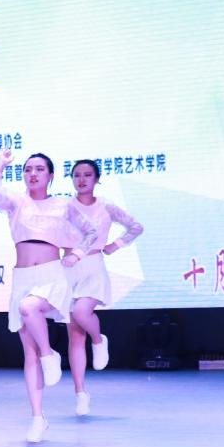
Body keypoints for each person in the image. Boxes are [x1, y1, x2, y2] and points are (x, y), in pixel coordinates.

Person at [0, 150, 96, 443]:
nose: (32, 174)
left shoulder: (63, 205)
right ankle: (37, 418)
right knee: (29, 353)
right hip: (22, 277)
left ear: (50, 175)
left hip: (51, 276)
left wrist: (77, 254)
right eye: (28, 169)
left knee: (29, 308)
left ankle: (50, 354)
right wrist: (0, 166)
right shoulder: (16, 202)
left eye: (39, 169)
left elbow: (91, 232)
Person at [64, 159, 144, 416]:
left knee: (81, 312)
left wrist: (115, 245)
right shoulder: (65, 206)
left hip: (93, 266)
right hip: (68, 268)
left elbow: (136, 227)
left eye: (87, 175)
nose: (81, 179)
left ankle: (99, 340)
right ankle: (80, 394)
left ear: (97, 179)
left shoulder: (106, 206)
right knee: (75, 336)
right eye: (77, 175)